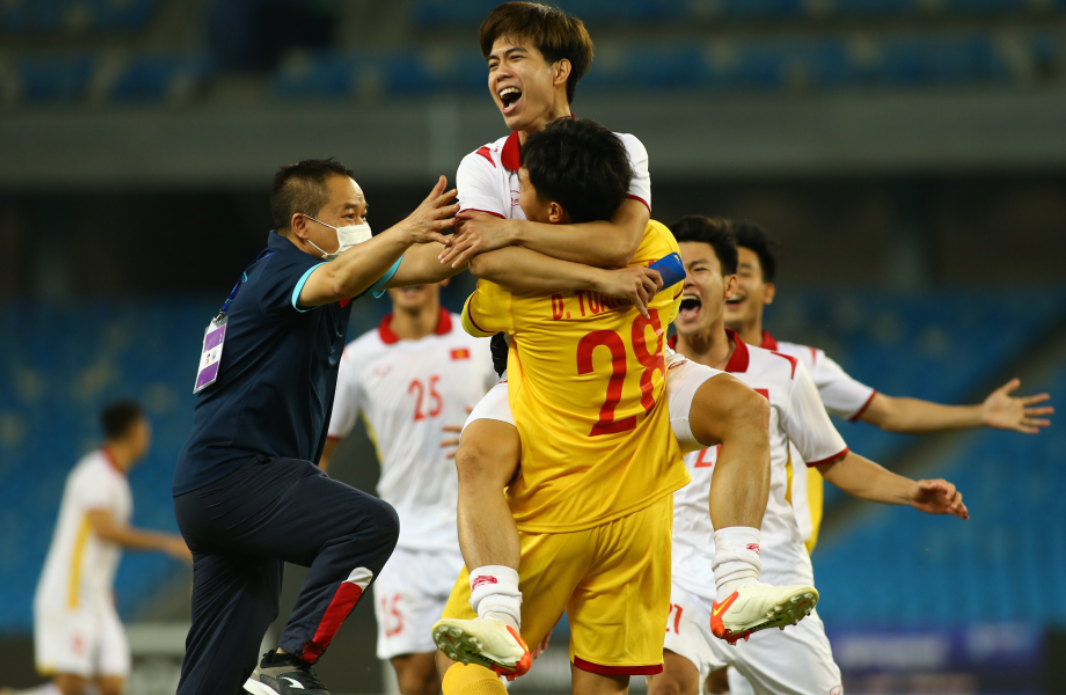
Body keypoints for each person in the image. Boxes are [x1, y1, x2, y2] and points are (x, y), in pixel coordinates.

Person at [430, 5, 809, 676]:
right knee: (479, 455)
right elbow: (490, 261)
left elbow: (617, 241)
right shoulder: (483, 163)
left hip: (637, 367)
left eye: (513, 57)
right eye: (491, 63)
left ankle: (737, 582)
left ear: (560, 69)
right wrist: (598, 280)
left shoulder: (620, 149)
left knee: (747, 409)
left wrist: (516, 232)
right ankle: (498, 614)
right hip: (537, 376)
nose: (498, 73)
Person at [171, 158, 462, 695]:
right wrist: (408, 227)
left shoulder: (324, 267)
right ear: (302, 225)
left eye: (367, 213)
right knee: (368, 525)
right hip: (240, 474)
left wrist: (479, 234)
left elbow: (429, 266)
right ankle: (291, 663)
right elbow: (337, 276)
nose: (362, 224)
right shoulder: (280, 271)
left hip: (211, 490)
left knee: (217, 669)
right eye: (349, 213)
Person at [650, 217, 969, 695]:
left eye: (701, 268)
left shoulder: (782, 374)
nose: (687, 280)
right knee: (671, 678)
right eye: (678, 270)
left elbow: (835, 461)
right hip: (679, 574)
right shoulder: (644, 372)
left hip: (770, 579)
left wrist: (911, 490)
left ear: (729, 284)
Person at [725, 221, 1053, 553]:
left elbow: (889, 412)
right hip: (690, 559)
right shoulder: (676, 366)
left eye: (745, 272)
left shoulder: (800, 365)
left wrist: (978, 413)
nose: (733, 283)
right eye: (724, 272)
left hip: (776, 558)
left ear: (768, 290)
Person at [319, 281, 496, 695]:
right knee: (416, 680)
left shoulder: (479, 342)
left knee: (467, 674)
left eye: (422, 266)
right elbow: (321, 453)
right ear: (386, 279)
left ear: (442, 275)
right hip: (402, 544)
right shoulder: (359, 358)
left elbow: (521, 425)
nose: (411, 279)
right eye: (400, 268)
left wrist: (485, 429)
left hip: (472, 538)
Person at [29, 401, 190, 695]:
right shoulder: (95, 473)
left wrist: (102, 585)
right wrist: (167, 543)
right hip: (72, 593)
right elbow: (104, 531)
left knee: (112, 682)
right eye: (145, 428)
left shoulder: (115, 480)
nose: (147, 436)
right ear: (133, 430)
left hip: (96, 597)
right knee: (71, 686)